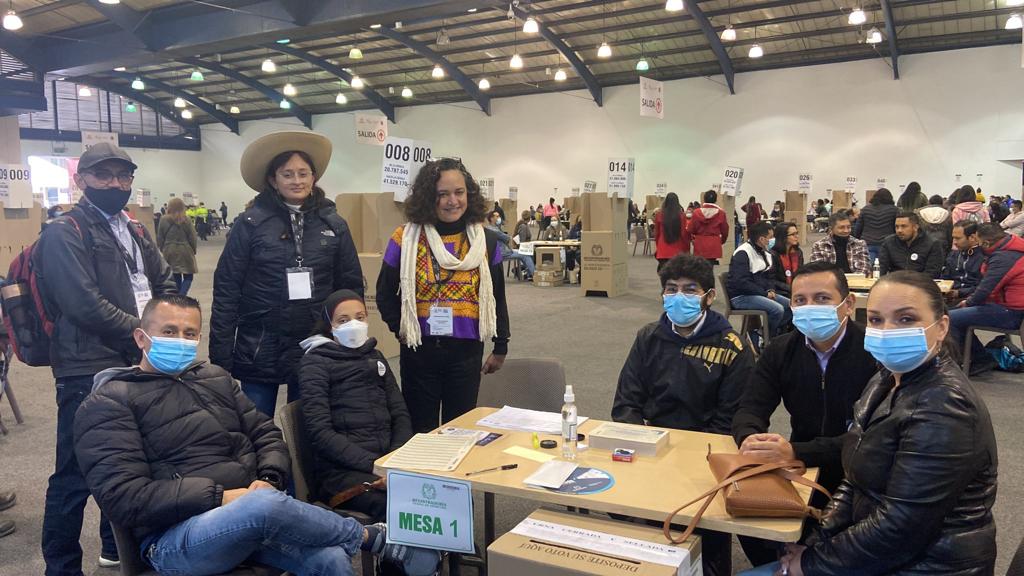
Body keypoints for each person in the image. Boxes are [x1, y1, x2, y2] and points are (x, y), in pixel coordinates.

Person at [74, 294, 440, 576]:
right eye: (169, 332)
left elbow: (266, 432)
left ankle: (360, 537)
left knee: (329, 558)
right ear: (141, 338)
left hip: (252, 518)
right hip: (174, 539)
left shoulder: (214, 379)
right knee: (263, 505)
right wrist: (221, 497)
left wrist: (269, 477)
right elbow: (123, 497)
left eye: (189, 334)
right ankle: (373, 538)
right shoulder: (109, 401)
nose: (181, 341)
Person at [765, 271, 997, 576]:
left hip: (929, 566)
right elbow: (855, 479)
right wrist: (815, 542)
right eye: (876, 319)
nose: (887, 331)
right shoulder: (886, 380)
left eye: (905, 319)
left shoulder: (945, 407)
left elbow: (901, 527)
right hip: (881, 553)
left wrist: (810, 563)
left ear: (941, 327)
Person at [34, 142, 176, 575]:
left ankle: (114, 546)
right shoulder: (64, 232)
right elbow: (84, 304)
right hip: (85, 367)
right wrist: (144, 333)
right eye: (104, 175)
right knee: (74, 474)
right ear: (81, 180)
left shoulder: (134, 229)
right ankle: (61, 567)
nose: (116, 184)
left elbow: (164, 281)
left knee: (131, 462)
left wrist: (164, 325)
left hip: (137, 358)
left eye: (123, 176)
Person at [613, 253, 754, 576]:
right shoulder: (649, 337)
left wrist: (691, 456)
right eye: (671, 289)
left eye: (690, 290)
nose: (679, 296)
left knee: (704, 539)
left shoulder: (731, 346)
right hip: (652, 445)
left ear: (709, 296)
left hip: (706, 454)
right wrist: (642, 442)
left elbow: (731, 417)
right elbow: (626, 403)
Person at [732, 262, 878, 566]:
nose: (810, 307)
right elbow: (750, 407)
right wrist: (751, 439)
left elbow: (872, 439)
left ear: (848, 303)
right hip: (801, 471)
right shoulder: (781, 350)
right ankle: (784, 565)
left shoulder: (874, 353)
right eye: (800, 300)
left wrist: (795, 451)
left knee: (843, 548)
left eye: (822, 298)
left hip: (861, 474)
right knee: (748, 514)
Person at [211, 131, 363, 418]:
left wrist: (350, 336)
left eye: (303, 173)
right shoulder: (250, 224)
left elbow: (349, 286)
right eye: (287, 174)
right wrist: (221, 356)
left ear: (314, 178)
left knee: (309, 424)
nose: (297, 181)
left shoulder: (333, 224)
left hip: (314, 342)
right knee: (255, 424)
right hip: (260, 344)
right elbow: (227, 288)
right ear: (273, 180)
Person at [376, 158, 510, 432]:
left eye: (459, 192)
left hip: (466, 353)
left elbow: (497, 296)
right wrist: (400, 328)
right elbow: (384, 292)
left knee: (459, 430)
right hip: (419, 352)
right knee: (420, 431)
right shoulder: (405, 239)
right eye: (443, 194)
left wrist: (501, 346)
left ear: (469, 194)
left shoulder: (486, 241)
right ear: (429, 197)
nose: (452, 201)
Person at [298, 289, 412, 524]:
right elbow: (320, 433)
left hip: (387, 461)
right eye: (343, 320)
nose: (353, 324)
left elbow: (400, 413)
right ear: (329, 326)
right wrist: (375, 466)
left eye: (360, 317)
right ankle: (392, 549)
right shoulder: (315, 363)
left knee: (449, 492)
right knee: (402, 507)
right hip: (341, 472)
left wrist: (395, 459)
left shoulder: (375, 356)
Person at [949, 223, 1024, 374]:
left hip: (1012, 312)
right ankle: (978, 357)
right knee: (956, 314)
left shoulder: (1003, 257)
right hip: (1011, 307)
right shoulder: (1012, 249)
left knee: (950, 318)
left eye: (978, 241)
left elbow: (985, 289)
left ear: (986, 243)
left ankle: (977, 360)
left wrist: (968, 302)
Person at [727, 221, 792, 337]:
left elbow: (769, 276)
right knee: (777, 309)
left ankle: (763, 332)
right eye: (770, 237)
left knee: (792, 306)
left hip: (758, 293)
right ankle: (768, 337)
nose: (773, 240)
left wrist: (771, 289)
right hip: (741, 297)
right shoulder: (742, 253)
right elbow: (741, 282)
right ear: (761, 239)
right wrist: (764, 293)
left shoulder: (764, 252)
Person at [879, 211, 943, 277]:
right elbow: (881, 267)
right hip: (895, 281)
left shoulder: (932, 244)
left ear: (915, 227)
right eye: (897, 227)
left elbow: (932, 272)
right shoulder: (889, 242)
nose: (899, 230)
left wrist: (911, 281)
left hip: (921, 282)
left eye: (903, 226)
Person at [156, 197, 198, 296]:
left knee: (175, 276)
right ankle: (182, 296)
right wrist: (193, 249)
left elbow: (160, 236)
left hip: (169, 250)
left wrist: (162, 248)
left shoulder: (163, 219)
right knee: (188, 276)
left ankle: (177, 296)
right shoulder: (186, 219)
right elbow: (192, 236)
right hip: (185, 250)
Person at [810, 211, 870, 275]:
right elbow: (818, 270)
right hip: (829, 280)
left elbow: (864, 269)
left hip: (855, 280)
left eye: (848, 227)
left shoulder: (859, 244)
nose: (846, 230)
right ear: (831, 229)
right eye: (841, 227)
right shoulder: (819, 245)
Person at [853, 187, 898, 268]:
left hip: (867, 242)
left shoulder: (865, 209)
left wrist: (857, 240)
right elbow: (897, 227)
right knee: (882, 268)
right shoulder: (894, 210)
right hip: (886, 243)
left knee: (867, 267)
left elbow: (858, 227)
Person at [941, 221, 984, 303]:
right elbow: (945, 278)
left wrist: (959, 293)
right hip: (949, 296)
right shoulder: (954, 254)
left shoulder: (984, 257)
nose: (954, 242)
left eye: (958, 238)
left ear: (972, 237)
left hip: (972, 299)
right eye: (953, 238)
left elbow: (984, 287)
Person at [488, 210, 535, 280]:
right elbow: (507, 238)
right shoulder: (494, 230)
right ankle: (535, 275)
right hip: (503, 252)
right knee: (525, 255)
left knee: (526, 254)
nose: (499, 218)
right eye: (497, 216)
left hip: (503, 250)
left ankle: (529, 274)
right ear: (491, 218)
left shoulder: (492, 228)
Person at [688, 189, 729, 271]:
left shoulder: (696, 213)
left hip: (700, 244)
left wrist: (693, 239)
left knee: (699, 269)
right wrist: (721, 241)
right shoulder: (721, 213)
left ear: (704, 199)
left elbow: (690, 229)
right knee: (710, 268)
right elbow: (725, 231)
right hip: (714, 244)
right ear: (716, 200)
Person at [654, 192, 690, 271]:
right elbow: (683, 234)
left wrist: (658, 247)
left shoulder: (659, 215)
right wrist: (687, 249)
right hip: (677, 250)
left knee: (664, 274)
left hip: (662, 250)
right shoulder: (682, 216)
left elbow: (657, 234)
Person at [770, 221, 802, 297]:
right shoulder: (773, 255)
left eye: (797, 233)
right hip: (780, 291)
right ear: (783, 237)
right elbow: (772, 280)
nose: (797, 236)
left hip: (796, 289)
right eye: (793, 234)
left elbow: (801, 273)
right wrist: (790, 288)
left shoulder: (798, 252)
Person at [918, 194, 953, 258]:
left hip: (924, 242)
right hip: (942, 243)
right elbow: (950, 232)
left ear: (929, 202)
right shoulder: (947, 213)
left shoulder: (919, 212)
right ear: (941, 203)